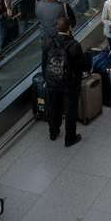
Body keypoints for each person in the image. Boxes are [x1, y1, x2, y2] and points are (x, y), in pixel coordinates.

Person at [44, 15, 83, 147]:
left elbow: (45, 61)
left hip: (53, 80)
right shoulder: (74, 45)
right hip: (69, 83)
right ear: (69, 28)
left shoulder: (50, 43)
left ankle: (53, 132)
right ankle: (70, 137)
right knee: (70, 109)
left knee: (54, 106)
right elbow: (80, 65)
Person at [36, 0, 75, 75]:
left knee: (46, 62)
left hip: (46, 40)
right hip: (62, 41)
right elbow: (72, 22)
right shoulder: (63, 6)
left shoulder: (39, 5)